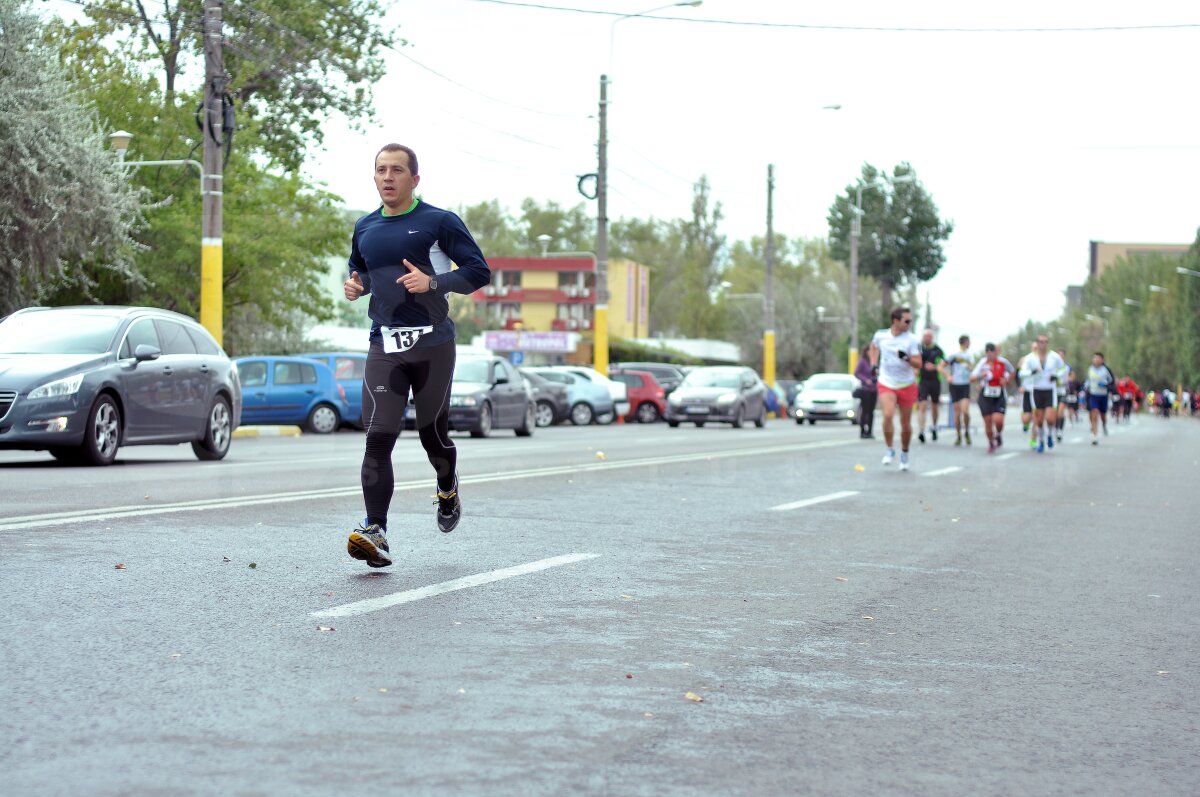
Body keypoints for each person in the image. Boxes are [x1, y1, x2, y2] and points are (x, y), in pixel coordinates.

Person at [342, 143, 492, 568]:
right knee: (379, 433)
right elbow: (364, 271)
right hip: (385, 342)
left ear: (415, 179)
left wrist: (433, 284)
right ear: (374, 177)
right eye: (380, 170)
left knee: (432, 436)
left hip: (433, 344)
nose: (388, 177)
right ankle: (376, 529)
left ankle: (447, 487)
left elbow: (478, 272)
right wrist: (357, 286)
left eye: (397, 170)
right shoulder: (365, 225)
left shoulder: (439, 222)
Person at [871, 307, 922, 471]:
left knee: (905, 423)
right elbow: (873, 347)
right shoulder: (881, 336)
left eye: (910, 321)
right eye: (906, 321)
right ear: (895, 321)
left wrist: (906, 358)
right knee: (888, 414)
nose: (909, 324)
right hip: (887, 381)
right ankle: (890, 449)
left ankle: (904, 453)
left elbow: (919, 364)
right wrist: (874, 363)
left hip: (906, 384)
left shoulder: (912, 340)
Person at [1017, 334, 1066, 453]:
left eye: (1045, 342)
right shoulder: (1030, 358)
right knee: (1038, 420)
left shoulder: (1054, 357)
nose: (1043, 344)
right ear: (1037, 343)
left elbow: (1063, 368)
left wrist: (1056, 376)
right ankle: (1041, 441)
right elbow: (1021, 373)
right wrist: (1031, 372)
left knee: (1050, 418)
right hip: (1036, 391)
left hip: (1050, 390)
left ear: (1048, 343)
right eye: (1040, 342)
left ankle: (1049, 434)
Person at [969, 343, 1015, 453]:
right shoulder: (982, 363)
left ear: (996, 352)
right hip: (985, 394)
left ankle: (998, 434)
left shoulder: (1003, 362)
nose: (990, 354)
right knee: (988, 421)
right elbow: (972, 378)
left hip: (999, 394)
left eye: (992, 351)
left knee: (998, 420)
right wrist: (981, 376)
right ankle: (990, 442)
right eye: (987, 351)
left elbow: (1013, 372)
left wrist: (1007, 381)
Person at [941, 334, 974, 446]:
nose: (970, 344)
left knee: (965, 411)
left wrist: (969, 369)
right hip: (954, 385)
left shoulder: (969, 355)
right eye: (968, 342)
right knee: (957, 413)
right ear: (965, 342)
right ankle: (958, 435)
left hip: (965, 385)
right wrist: (947, 376)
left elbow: (971, 368)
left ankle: (967, 431)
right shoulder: (953, 355)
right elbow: (940, 366)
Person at [916, 328, 945, 443]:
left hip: (935, 381)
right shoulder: (918, 348)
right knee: (922, 405)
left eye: (929, 336)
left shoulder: (937, 350)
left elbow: (944, 361)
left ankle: (934, 427)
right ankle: (921, 431)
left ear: (932, 338)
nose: (927, 338)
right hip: (922, 380)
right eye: (925, 336)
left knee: (934, 406)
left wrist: (935, 367)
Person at [1082, 352, 1116, 445]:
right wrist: (1085, 387)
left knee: (1103, 416)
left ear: (1102, 360)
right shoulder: (1090, 369)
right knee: (1094, 414)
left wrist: (1106, 385)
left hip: (1103, 395)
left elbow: (1112, 383)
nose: (1096, 360)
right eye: (1094, 358)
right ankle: (1094, 435)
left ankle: (1104, 424)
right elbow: (1087, 381)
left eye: (1098, 358)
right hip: (1093, 395)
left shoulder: (1106, 370)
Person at [854, 341, 879, 439]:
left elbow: (877, 373)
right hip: (865, 390)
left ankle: (870, 431)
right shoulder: (862, 361)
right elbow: (856, 373)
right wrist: (865, 380)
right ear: (867, 351)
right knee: (865, 411)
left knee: (871, 411)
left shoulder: (875, 362)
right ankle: (862, 431)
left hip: (874, 389)